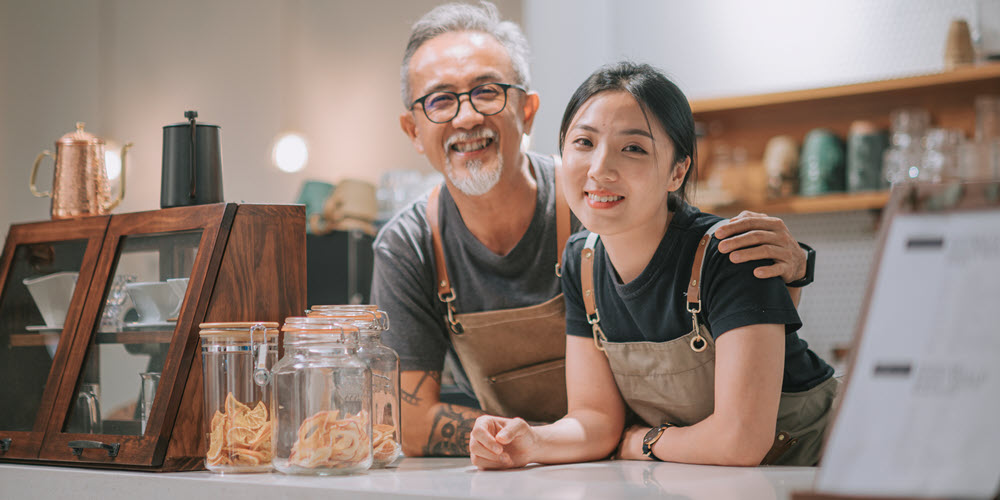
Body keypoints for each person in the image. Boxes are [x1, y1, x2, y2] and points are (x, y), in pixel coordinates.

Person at [373, 2, 816, 458]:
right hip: (608, 468)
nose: (466, 117)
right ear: (412, 128)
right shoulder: (420, 247)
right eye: (441, 99)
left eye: (487, 92)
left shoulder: (619, 213)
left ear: (528, 112)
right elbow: (409, 420)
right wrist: (529, 442)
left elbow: (738, 419)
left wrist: (794, 272)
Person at [469, 61, 837, 469]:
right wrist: (531, 442)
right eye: (584, 143)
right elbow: (595, 420)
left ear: (677, 171)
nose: (599, 169)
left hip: (826, 469)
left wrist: (644, 441)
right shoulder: (582, 262)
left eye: (633, 148)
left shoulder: (731, 253)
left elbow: (741, 442)